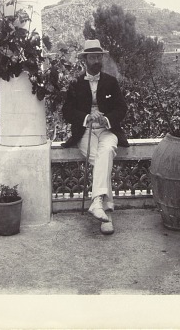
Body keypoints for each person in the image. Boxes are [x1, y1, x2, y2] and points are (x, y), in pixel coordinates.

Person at [62, 39, 129, 235]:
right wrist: (86, 118)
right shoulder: (75, 83)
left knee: (106, 151)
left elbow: (121, 108)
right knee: (103, 160)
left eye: (99, 56)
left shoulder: (111, 81)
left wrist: (106, 119)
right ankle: (106, 212)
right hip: (84, 133)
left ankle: (97, 203)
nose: (96, 60)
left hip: (108, 131)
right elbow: (66, 111)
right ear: (85, 59)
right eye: (92, 57)